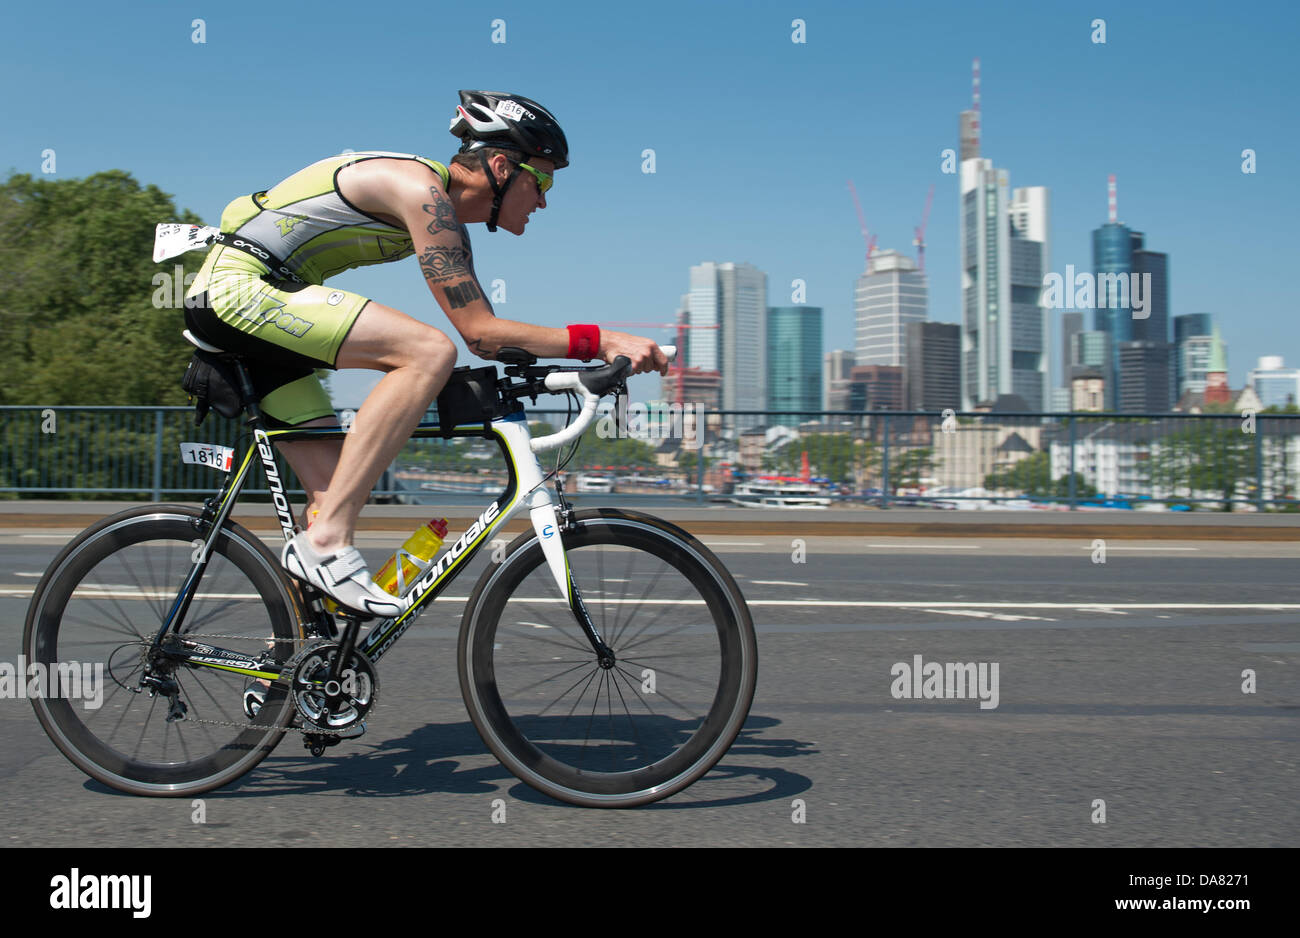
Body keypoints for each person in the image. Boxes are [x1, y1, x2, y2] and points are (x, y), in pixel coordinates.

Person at [184, 90, 669, 619]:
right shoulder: (421, 191)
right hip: (238, 295)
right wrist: (599, 341)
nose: (545, 200)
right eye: (544, 181)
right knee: (425, 353)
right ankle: (325, 544)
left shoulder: (445, 219)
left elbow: (490, 335)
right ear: (503, 166)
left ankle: (299, 668)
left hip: (267, 325)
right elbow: (478, 333)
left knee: (335, 492)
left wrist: (569, 363)